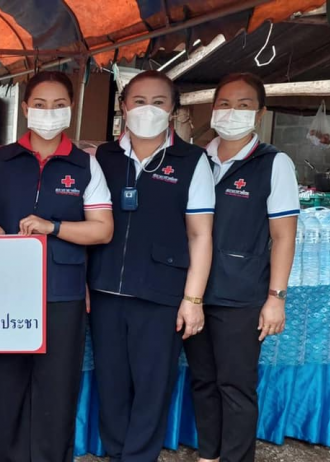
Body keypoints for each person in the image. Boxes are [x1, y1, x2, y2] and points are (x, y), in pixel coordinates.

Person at [0, 71, 113, 462]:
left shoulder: (85, 165)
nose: (50, 112)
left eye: (59, 105)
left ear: (71, 108)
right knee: (6, 388)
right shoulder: (1, 159)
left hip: (62, 293)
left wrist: (54, 227)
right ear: (27, 108)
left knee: (56, 391)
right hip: (6, 292)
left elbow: (103, 229)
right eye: (41, 105)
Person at [88, 70, 214, 462]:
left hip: (161, 293)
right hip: (105, 288)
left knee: (152, 384)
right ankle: (116, 451)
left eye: (159, 102)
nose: (148, 109)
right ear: (123, 106)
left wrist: (193, 299)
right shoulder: (103, 158)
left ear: (173, 109)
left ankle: (139, 456)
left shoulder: (191, 161)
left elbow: (200, 235)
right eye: (139, 101)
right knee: (110, 381)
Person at [184, 73, 298, 462]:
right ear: (213, 108)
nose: (232, 112)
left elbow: (283, 236)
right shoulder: (197, 160)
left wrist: (276, 298)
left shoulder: (273, 163)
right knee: (203, 380)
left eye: (244, 105)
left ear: (260, 113)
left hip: (242, 295)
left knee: (235, 385)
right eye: (225, 104)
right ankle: (208, 455)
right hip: (193, 292)